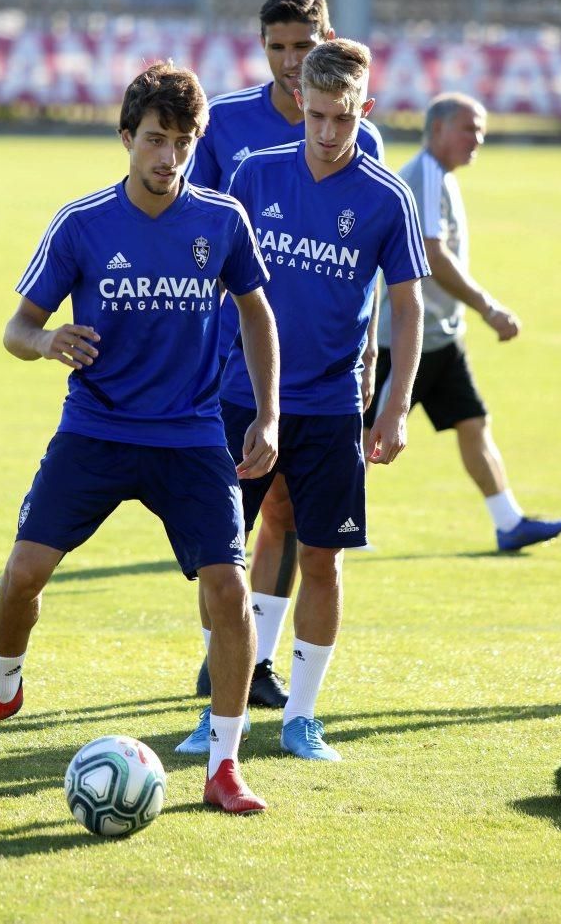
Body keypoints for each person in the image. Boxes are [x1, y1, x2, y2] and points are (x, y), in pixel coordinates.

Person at [0, 62, 280, 815]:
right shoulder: (82, 223)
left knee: (229, 590)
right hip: (96, 426)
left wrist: (268, 412)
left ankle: (225, 764)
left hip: (189, 435)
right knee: (22, 574)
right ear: (125, 137)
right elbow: (15, 328)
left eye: (184, 142)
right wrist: (48, 338)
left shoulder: (222, 221)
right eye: (155, 139)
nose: (169, 157)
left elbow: (257, 312)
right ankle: (3, 688)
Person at [177, 38, 429, 761]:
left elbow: (408, 308)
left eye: (341, 120)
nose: (325, 133)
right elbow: (209, 276)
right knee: (219, 558)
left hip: (328, 406)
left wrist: (397, 403)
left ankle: (302, 717)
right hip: (238, 396)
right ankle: (219, 709)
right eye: (314, 116)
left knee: (322, 558)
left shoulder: (386, 197)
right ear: (299, 106)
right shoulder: (255, 176)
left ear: (365, 111)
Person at [185, 0, 386, 707]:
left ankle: (262, 666)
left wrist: (369, 369)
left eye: (304, 46)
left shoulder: (363, 141)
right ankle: (228, 664)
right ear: (262, 46)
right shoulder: (230, 125)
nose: (291, 61)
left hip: (323, 377)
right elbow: (198, 234)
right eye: (278, 47)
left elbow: (368, 269)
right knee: (229, 526)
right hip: (233, 366)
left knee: (293, 519)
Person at [367, 93, 561, 552]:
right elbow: (432, 254)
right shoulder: (423, 174)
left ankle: (508, 523)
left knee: (472, 422)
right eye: (469, 128)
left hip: (441, 336)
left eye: (480, 129)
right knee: (367, 434)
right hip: (403, 337)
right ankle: (325, 526)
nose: (478, 138)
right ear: (437, 129)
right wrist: (488, 306)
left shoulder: (440, 177)